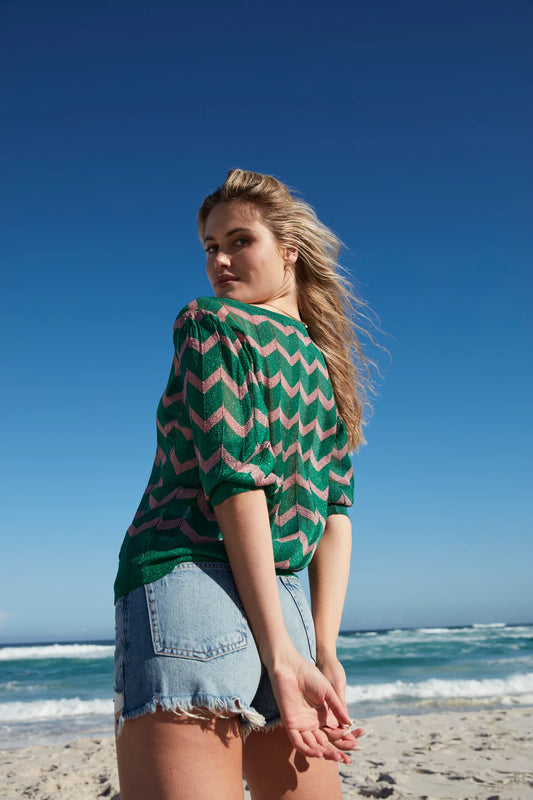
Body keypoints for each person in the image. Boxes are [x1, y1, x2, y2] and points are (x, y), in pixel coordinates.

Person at [113, 168, 372, 800]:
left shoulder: (213, 324)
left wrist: (283, 655)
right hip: (284, 599)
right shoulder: (325, 368)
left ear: (290, 250)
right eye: (210, 246)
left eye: (239, 241)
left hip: (189, 583)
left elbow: (236, 485)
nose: (220, 260)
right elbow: (335, 515)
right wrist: (321, 648)